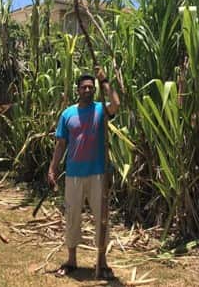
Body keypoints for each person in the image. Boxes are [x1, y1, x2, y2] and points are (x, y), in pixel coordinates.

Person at [47, 66, 120, 279]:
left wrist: (104, 80)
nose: (87, 90)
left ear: (95, 90)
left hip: (98, 174)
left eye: (91, 87)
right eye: (84, 87)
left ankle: (102, 262)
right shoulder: (68, 114)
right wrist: (52, 168)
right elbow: (61, 144)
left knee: (101, 218)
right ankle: (71, 260)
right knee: (72, 216)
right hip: (73, 175)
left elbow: (116, 104)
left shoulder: (101, 110)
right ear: (77, 90)